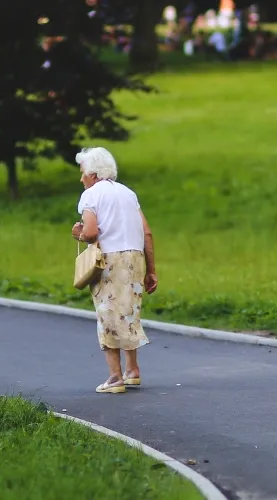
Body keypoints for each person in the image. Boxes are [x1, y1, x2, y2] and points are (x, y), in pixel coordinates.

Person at [70, 147, 159, 395]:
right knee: (128, 312)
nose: (81, 179)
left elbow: (90, 232)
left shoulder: (90, 195)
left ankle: (114, 377)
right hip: (135, 257)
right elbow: (147, 233)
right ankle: (133, 371)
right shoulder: (128, 194)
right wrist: (151, 270)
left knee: (107, 314)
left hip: (110, 260)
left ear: (93, 173)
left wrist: (78, 233)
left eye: (82, 173)